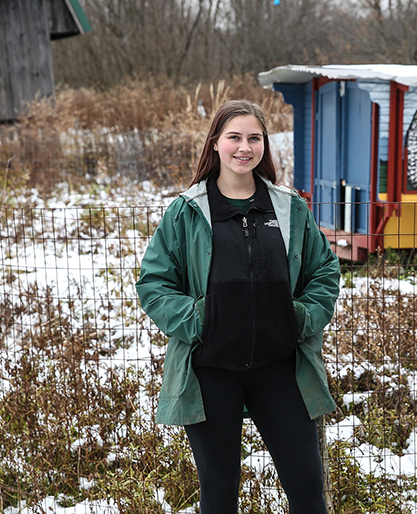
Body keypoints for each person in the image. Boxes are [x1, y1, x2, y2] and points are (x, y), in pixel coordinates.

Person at [135, 99, 340, 513]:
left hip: (281, 368)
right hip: (212, 373)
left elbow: (325, 273)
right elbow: (154, 284)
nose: (244, 147)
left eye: (254, 138)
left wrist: (299, 317)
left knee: (306, 485)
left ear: (264, 144)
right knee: (220, 489)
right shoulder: (187, 211)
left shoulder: (288, 208)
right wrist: (201, 321)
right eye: (234, 137)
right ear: (215, 143)